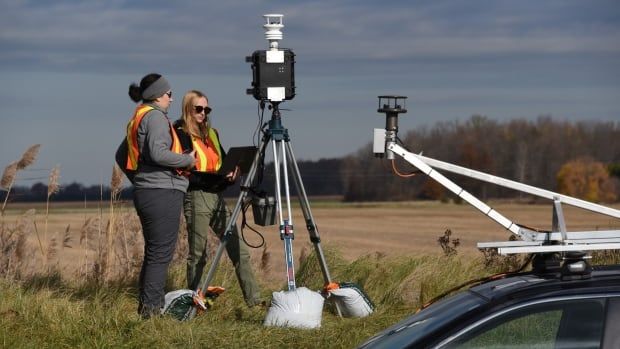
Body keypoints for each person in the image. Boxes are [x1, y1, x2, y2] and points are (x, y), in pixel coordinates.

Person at [173, 89, 262, 307]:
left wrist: (232, 174)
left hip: (217, 195)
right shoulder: (179, 133)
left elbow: (222, 164)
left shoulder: (211, 134)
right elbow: (185, 171)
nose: (204, 113)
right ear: (188, 109)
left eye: (207, 109)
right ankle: (193, 302)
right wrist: (216, 179)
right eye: (199, 109)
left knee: (239, 250)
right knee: (198, 254)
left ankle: (255, 301)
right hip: (197, 196)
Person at [121, 73, 195, 318]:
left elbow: (121, 156)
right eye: (169, 94)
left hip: (148, 191)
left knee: (154, 253)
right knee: (161, 254)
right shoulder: (155, 118)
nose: (171, 99)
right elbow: (158, 153)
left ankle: (147, 309)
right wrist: (187, 160)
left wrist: (140, 180)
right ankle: (151, 313)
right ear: (157, 95)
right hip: (162, 192)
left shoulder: (139, 116)